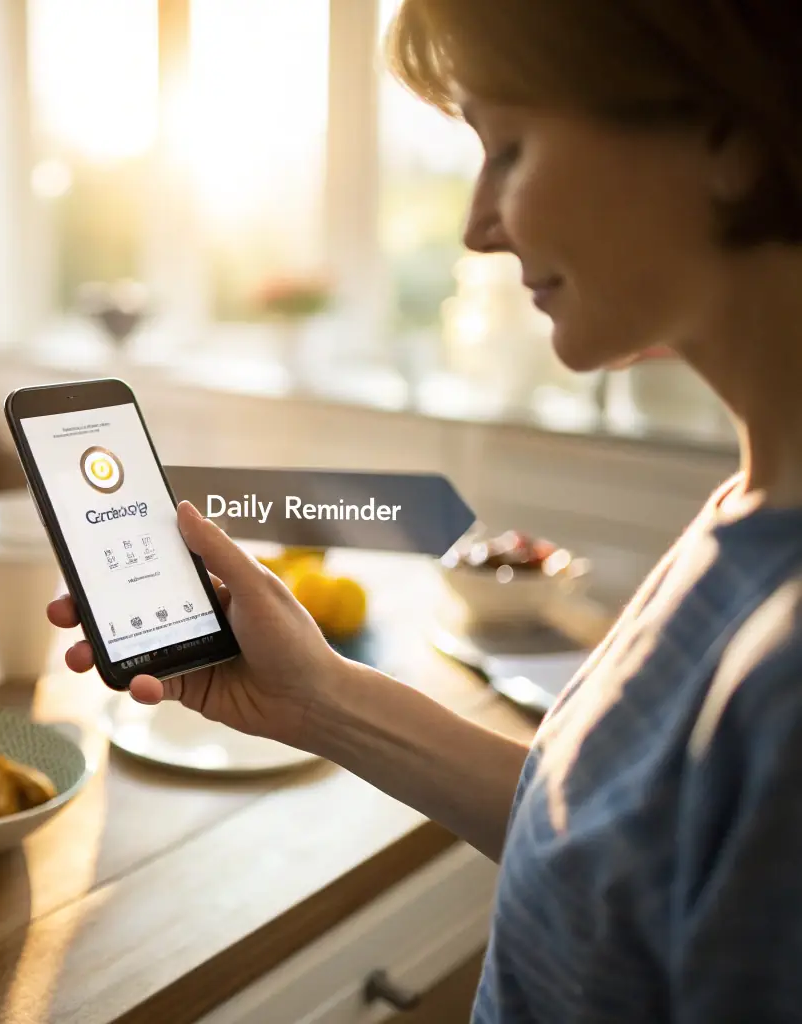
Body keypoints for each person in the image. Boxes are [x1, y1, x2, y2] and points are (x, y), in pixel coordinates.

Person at [46, 1, 802, 1020]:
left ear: (727, 131)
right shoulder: (752, 504)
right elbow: (606, 854)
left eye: (510, 149)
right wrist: (319, 698)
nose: (476, 227)